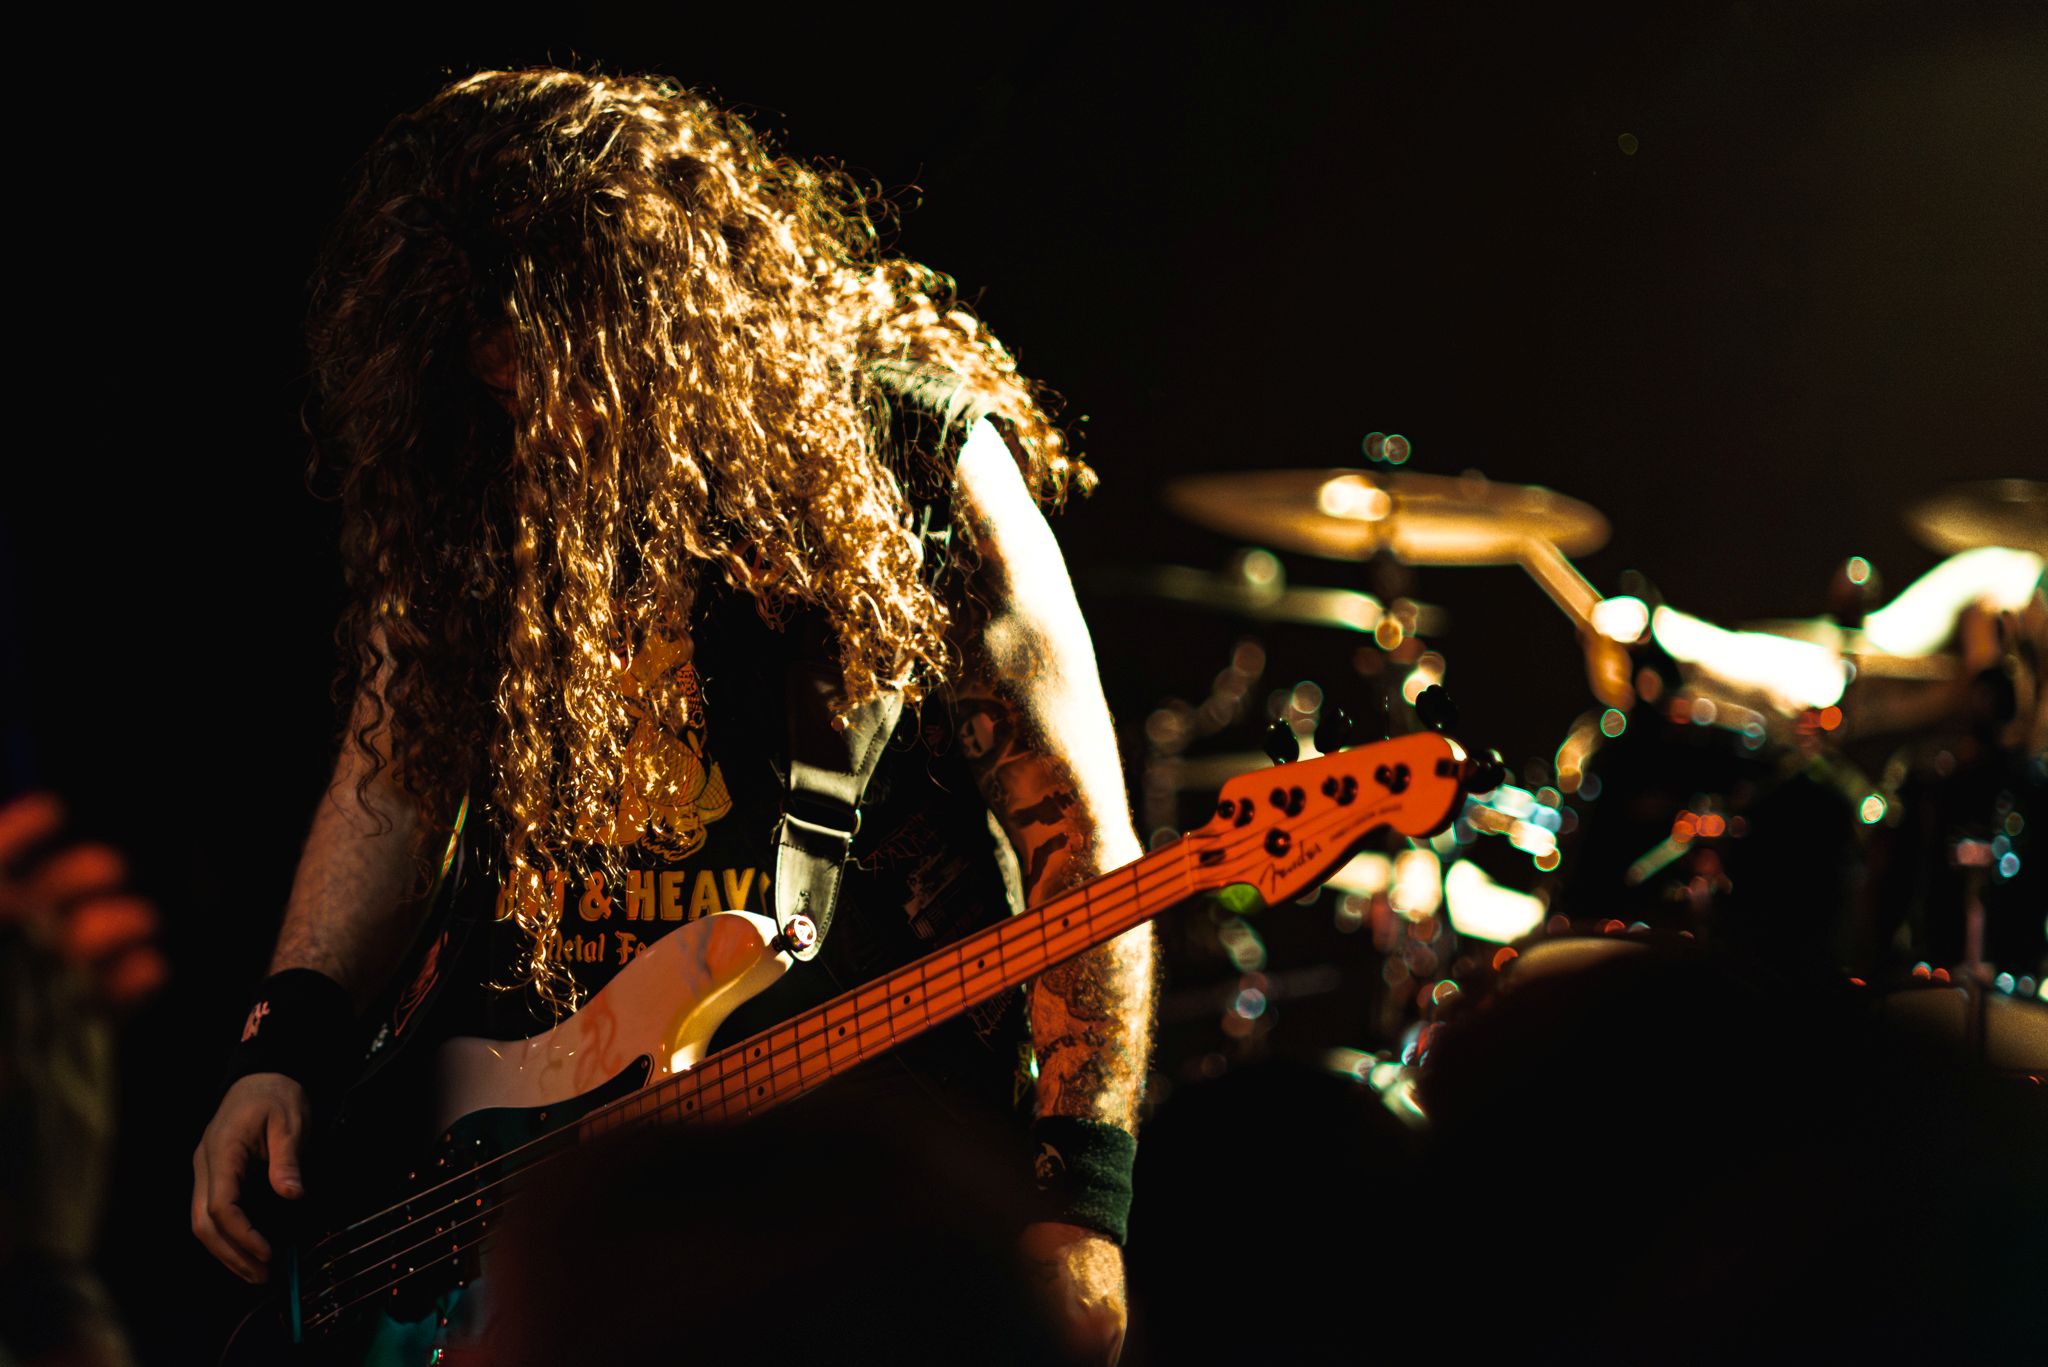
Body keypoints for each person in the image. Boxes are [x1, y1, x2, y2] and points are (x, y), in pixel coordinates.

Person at [189, 67, 1154, 1364]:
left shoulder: (913, 456)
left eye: (554, 362)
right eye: (488, 368)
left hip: (849, 1196)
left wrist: (1081, 1201)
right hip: (546, 1199)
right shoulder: (470, 470)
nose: (528, 403)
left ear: (666, 324)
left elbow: (1076, 842)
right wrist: (286, 1043)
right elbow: (391, 780)